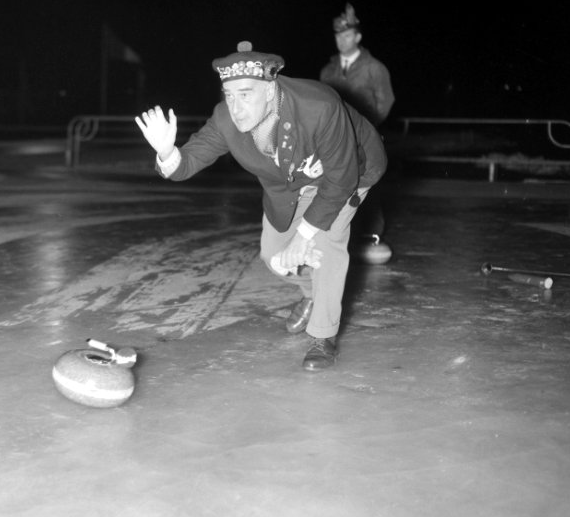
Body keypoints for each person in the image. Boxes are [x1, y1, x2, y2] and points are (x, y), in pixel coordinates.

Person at [135, 41, 387, 371]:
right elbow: (187, 163)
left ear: (270, 90)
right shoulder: (226, 119)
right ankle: (312, 294)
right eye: (229, 95)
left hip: (350, 170)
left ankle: (322, 337)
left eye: (245, 94)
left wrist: (306, 235)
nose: (236, 107)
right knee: (274, 256)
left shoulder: (318, 106)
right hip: (288, 186)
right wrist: (167, 151)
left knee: (325, 246)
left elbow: (340, 179)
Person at [319, 3, 394, 236]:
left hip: (365, 139)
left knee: (368, 187)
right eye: (338, 36)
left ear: (358, 36)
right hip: (336, 141)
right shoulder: (327, 72)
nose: (342, 40)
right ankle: (335, 236)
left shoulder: (374, 68)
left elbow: (386, 101)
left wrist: (368, 128)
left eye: (348, 35)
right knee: (334, 186)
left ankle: (372, 235)